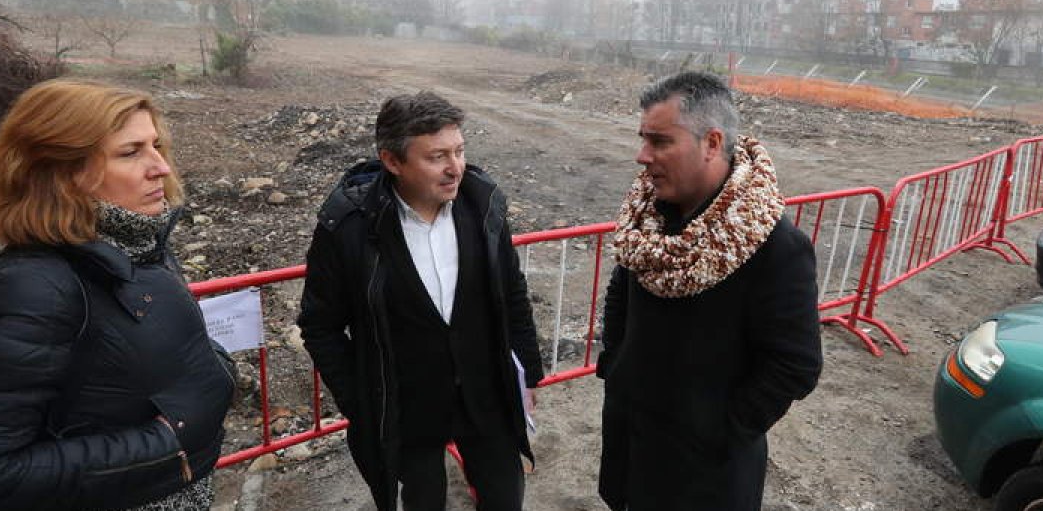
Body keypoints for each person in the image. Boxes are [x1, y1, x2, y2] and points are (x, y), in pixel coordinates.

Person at [0, 79, 235, 511]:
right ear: (60, 173)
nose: (160, 166)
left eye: (156, 145)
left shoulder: (139, 245)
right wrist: (168, 441)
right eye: (130, 152)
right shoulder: (32, 288)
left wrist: (211, 363)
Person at [298, 91, 544, 511]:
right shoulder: (349, 227)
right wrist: (360, 397)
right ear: (392, 161)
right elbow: (320, 325)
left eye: (460, 151)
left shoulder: (484, 207)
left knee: (505, 499)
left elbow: (512, 292)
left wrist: (527, 375)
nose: (455, 169)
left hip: (486, 394)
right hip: (407, 405)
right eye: (437, 157)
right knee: (422, 501)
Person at [596, 72, 823, 511]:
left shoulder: (776, 249)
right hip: (632, 447)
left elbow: (795, 365)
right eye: (643, 139)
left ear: (712, 143)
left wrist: (717, 431)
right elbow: (621, 293)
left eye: (660, 142)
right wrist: (616, 364)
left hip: (704, 480)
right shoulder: (646, 222)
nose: (642, 156)